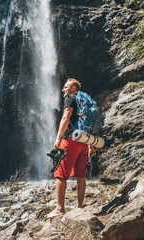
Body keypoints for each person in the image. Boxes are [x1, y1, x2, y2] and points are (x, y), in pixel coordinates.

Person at [46, 78, 94, 219]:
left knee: (60, 173)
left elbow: (66, 117)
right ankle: (80, 207)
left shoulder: (70, 98)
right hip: (83, 141)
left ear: (73, 89)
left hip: (71, 139)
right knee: (80, 176)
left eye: (66, 87)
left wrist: (58, 138)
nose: (63, 90)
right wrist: (90, 144)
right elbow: (89, 123)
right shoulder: (85, 101)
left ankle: (60, 208)